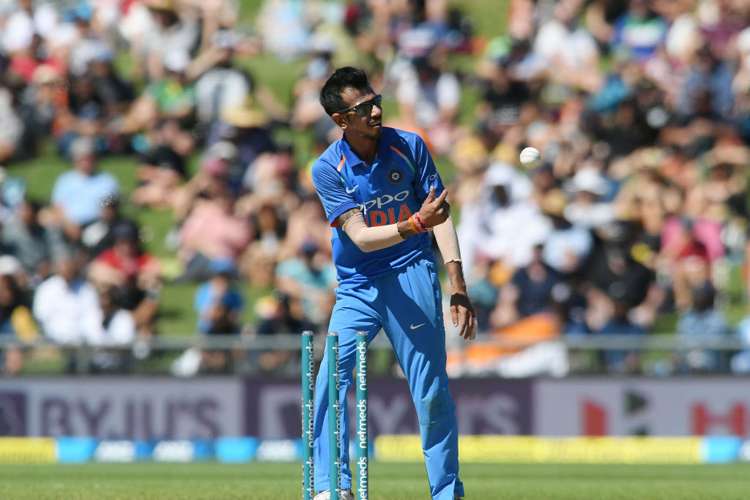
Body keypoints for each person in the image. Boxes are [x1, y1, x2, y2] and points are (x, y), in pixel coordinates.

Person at [310, 67, 475, 500]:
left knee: (431, 390)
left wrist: (457, 284)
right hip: (358, 284)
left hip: (412, 271)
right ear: (341, 120)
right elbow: (362, 238)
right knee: (330, 380)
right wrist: (416, 223)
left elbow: (441, 217)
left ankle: (446, 493)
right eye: (363, 107)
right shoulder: (328, 168)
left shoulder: (409, 145)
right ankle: (332, 487)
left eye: (376, 101)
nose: (376, 111)